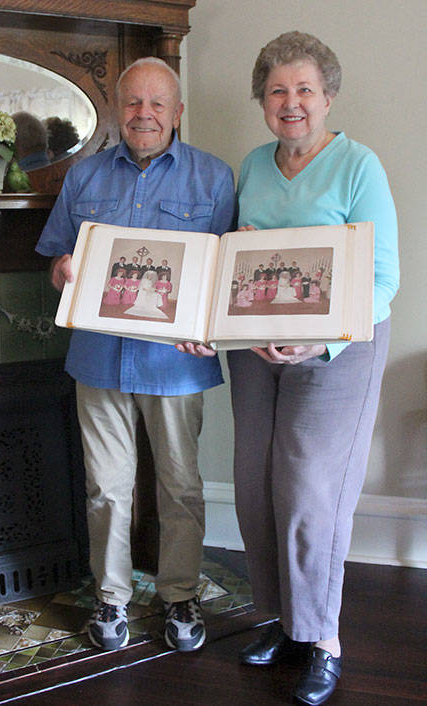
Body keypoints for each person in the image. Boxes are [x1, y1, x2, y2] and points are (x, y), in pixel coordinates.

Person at [176, 31, 399, 705]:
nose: (291, 102)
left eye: (305, 89)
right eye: (277, 90)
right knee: (254, 485)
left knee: (307, 492)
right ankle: (281, 622)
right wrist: (207, 323)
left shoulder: (359, 167)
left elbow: (382, 279)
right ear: (263, 102)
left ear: (328, 97)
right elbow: (237, 266)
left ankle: (323, 638)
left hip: (339, 351)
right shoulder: (251, 165)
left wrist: (317, 344)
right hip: (257, 351)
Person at [36, 56, 235, 653]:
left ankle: (180, 597)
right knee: (106, 488)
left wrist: (212, 329)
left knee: (181, 488)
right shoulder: (84, 178)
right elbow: (55, 263)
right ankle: (112, 598)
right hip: (96, 359)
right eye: (132, 104)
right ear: (117, 112)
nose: (143, 114)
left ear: (177, 112)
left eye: (156, 104)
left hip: (176, 363)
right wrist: (63, 269)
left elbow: (224, 277)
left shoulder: (214, 178)